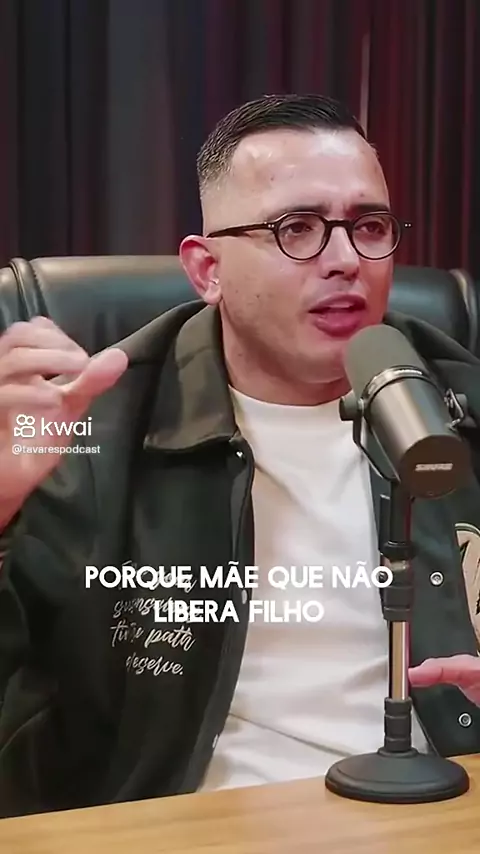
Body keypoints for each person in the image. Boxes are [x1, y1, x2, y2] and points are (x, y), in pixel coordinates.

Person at [1, 93, 480, 818]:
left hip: (439, 812)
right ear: (207, 269)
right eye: (298, 229)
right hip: (187, 823)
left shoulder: (461, 406)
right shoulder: (89, 427)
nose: (346, 261)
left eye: (370, 227)